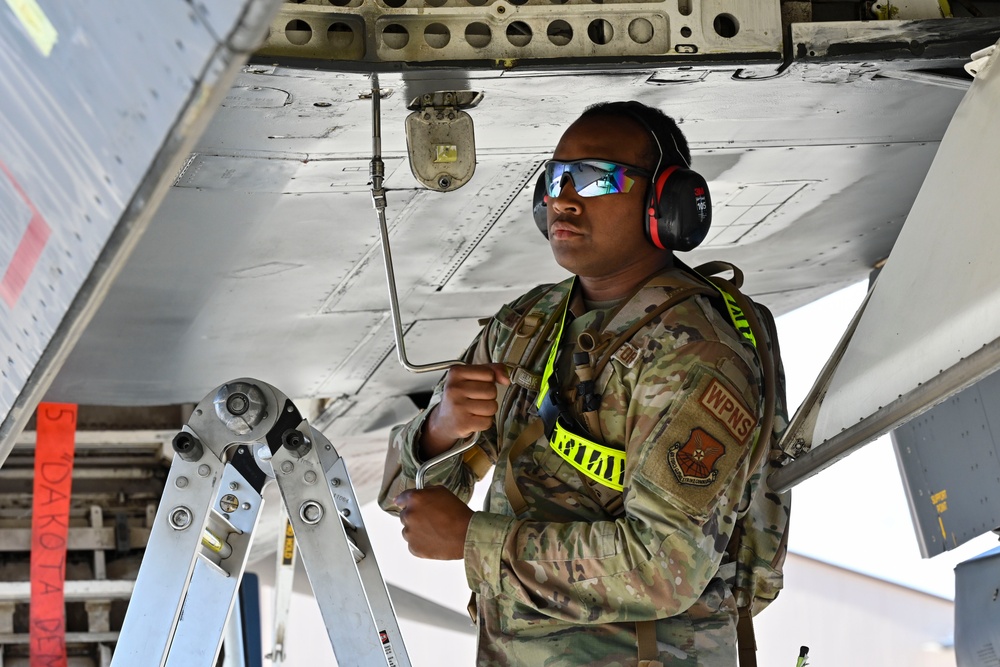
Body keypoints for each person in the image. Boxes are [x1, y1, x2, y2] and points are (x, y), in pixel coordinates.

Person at [379, 100, 787, 667]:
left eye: (598, 179)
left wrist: (475, 541)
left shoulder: (695, 353)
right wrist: (438, 434)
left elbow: (665, 566)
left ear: (663, 203)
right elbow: (409, 502)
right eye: (555, 177)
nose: (564, 198)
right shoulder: (528, 326)